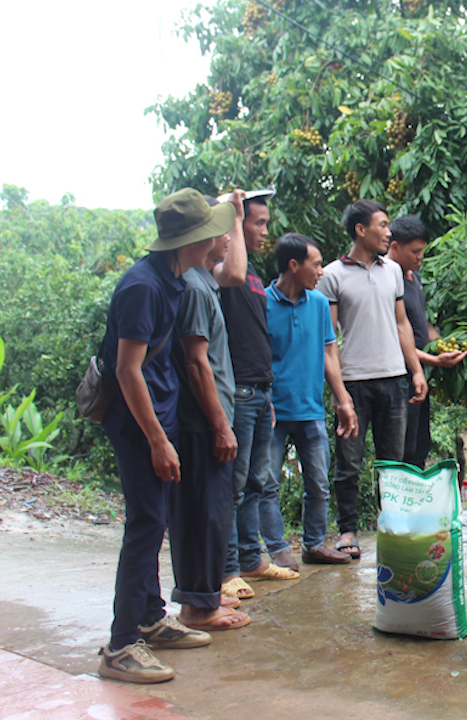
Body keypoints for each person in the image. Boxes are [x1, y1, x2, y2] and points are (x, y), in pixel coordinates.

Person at [96, 188, 235, 684]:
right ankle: (120, 644)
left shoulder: (174, 278)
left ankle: (151, 618)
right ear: (192, 240)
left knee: (157, 521)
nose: (218, 239)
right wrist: (156, 439)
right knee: (147, 523)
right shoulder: (144, 287)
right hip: (139, 422)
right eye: (212, 233)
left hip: (162, 414)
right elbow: (128, 370)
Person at [318, 200, 427, 558]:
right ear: (360, 230)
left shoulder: (392, 272)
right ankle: (347, 530)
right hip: (354, 382)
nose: (388, 232)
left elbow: (402, 324)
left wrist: (415, 370)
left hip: (393, 380)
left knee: (392, 462)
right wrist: (339, 394)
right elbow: (328, 339)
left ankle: (392, 526)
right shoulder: (332, 275)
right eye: (381, 225)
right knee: (348, 462)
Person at [167, 193, 251, 632]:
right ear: (205, 239)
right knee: (205, 512)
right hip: (202, 424)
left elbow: (233, 271)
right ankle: (198, 608)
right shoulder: (197, 290)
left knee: (211, 510)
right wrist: (221, 425)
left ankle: (203, 594)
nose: (227, 239)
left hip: (206, 421)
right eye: (223, 232)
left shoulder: (201, 282)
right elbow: (197, 362)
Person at [217, 190, 299, 604]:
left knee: (254, 482)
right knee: (231, 485)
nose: (267, 232)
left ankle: (251, 559)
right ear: (235, 224)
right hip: (236, 392)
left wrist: (267, 393)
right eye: (258, 223)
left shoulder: (252, 276)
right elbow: (228, 273)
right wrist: (232, 213)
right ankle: (227, 568)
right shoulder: (222, 269)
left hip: (257, 392)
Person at [267, 233, 359, 565]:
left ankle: (314, 545)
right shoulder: (261, 303)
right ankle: (277, 550)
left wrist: (342, 400)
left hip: (311, 411)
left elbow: (329, 354)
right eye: (316, 263)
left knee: (318, 484)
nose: (321, 271)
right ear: (294, 265)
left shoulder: (319, 303)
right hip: (273, 412)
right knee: (266, 485)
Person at [385, 214, 467, 468]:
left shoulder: (414, 277)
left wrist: (448, 345)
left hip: (419, 375)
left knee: (421, 443)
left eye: (422, 251)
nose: (420, 257)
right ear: (395, 247)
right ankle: (396, 506)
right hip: (399, 377)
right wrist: (433, 359)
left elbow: (423, 325)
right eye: (415, 252)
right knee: (402, 448)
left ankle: (415, 503)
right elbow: (393, 335)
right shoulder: (387, 279)